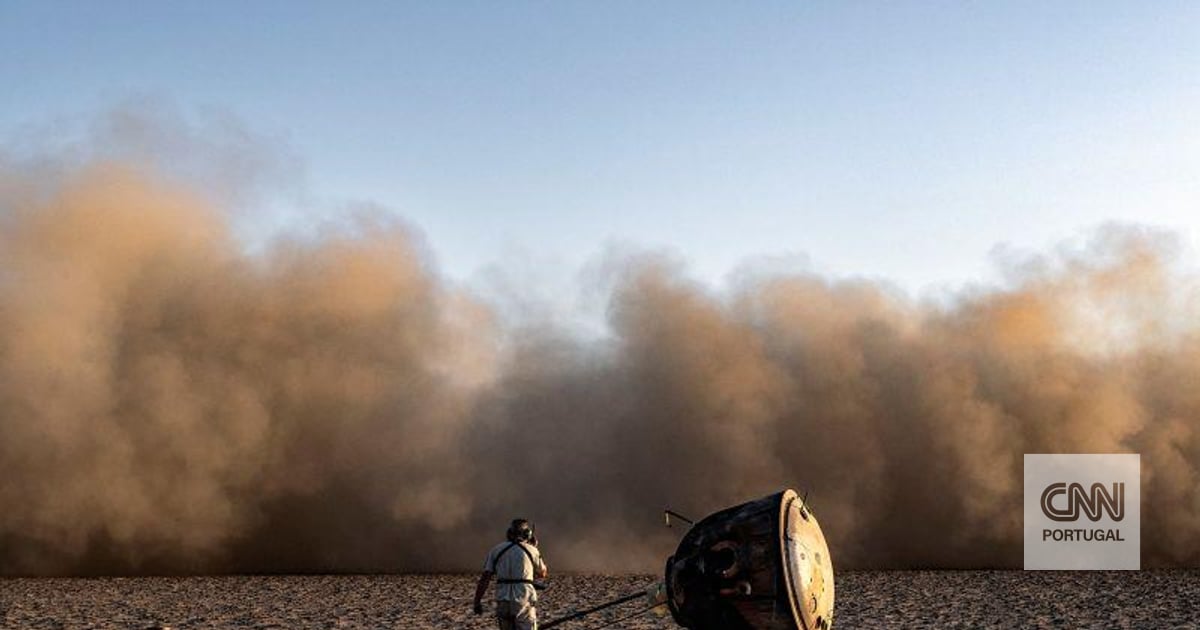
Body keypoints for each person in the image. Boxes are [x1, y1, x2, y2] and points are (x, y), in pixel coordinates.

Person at [473, 518, 549, 630]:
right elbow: (542, 573)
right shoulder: (532, 550)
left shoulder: (496, 550)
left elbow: (485, 579)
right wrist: (534, 548)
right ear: (528, 534)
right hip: (523, 598)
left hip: (503, 599)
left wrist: (477, 601)